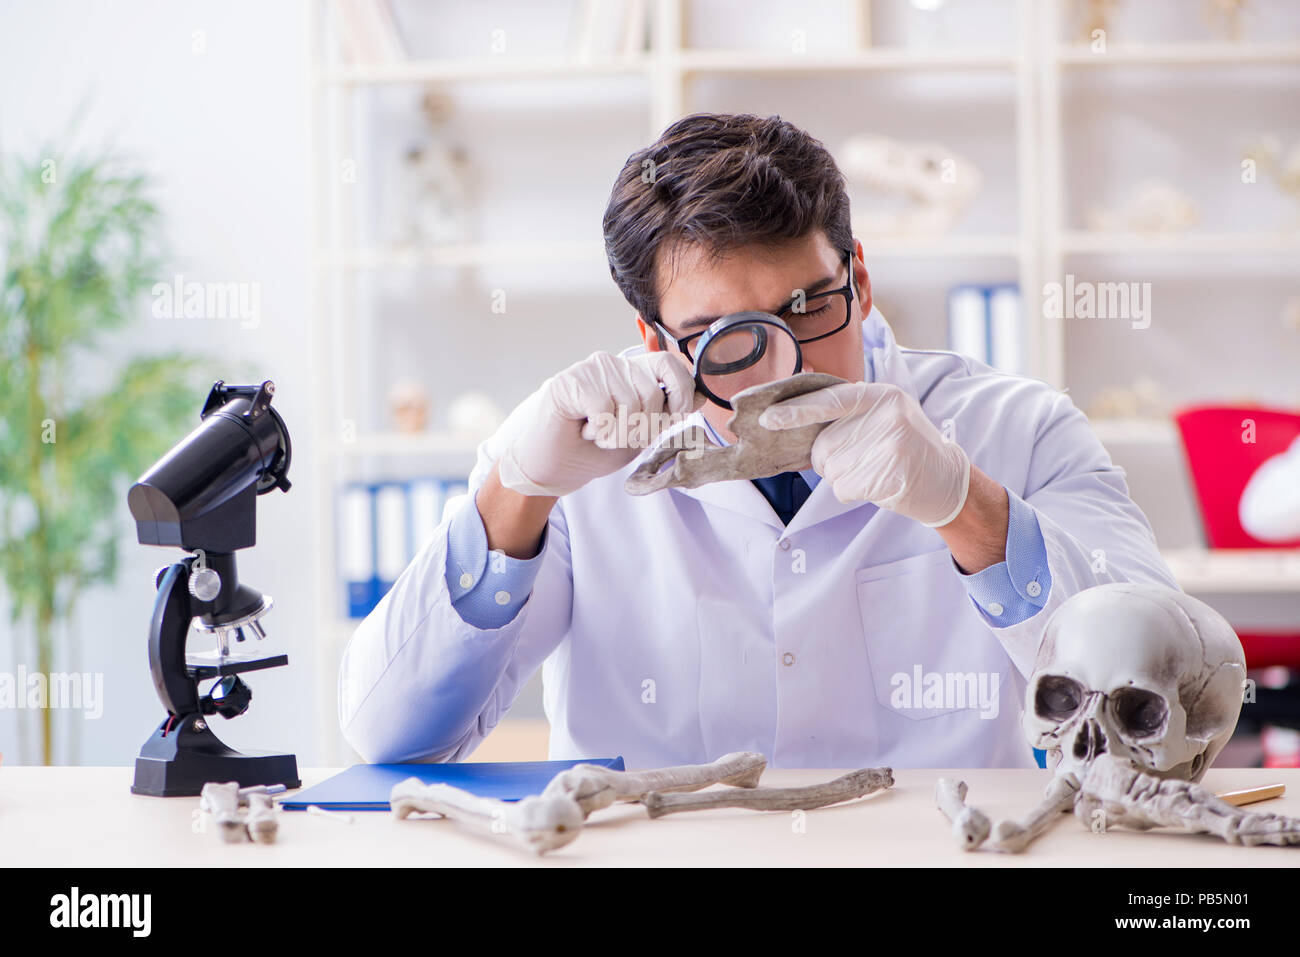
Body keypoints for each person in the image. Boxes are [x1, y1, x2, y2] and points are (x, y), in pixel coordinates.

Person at [338, 113, 1177, 769]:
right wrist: (511, 494)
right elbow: (388, 734)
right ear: (653, 339)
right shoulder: (581, 458)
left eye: (811, 305)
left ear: (861, 276)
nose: (785, 366)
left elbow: (1175, 706)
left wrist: (973, 512)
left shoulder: (1018, 430)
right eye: (724, 336)